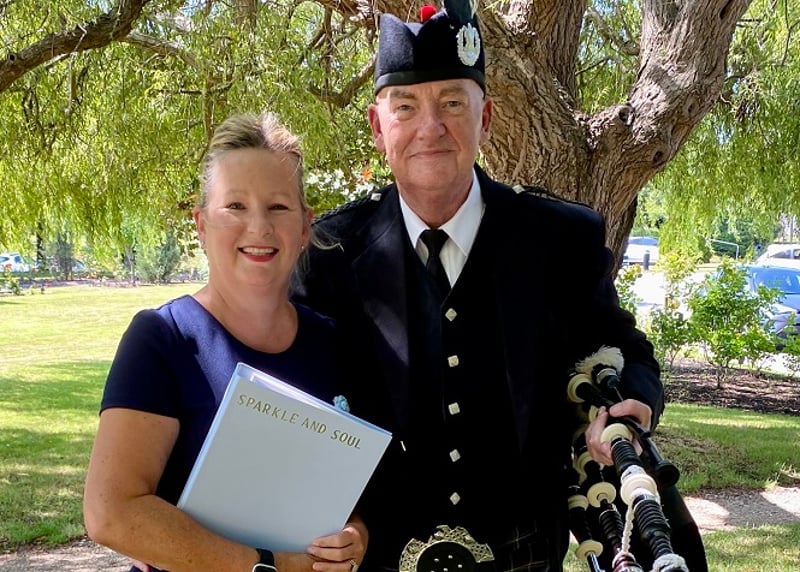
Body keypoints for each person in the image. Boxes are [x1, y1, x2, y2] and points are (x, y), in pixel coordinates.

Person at [291, 2, 706, 571]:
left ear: (484, 119)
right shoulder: (328, 252)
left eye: (452, 103)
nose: (430, 128)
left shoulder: (559, 240)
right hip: (376, 557)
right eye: (405, 107)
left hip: (525, 554)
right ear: (378, 126)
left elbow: (626, 352)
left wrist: (632, 404)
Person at [84, 111, 367, 572]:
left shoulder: (332, 343)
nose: (258, 227)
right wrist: (268, 566)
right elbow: (111, 513)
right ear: (201, 225)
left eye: (278, 207)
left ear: (304, 227)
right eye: (235, 206)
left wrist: (353, 536)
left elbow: (342, 493)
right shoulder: (162, 339)